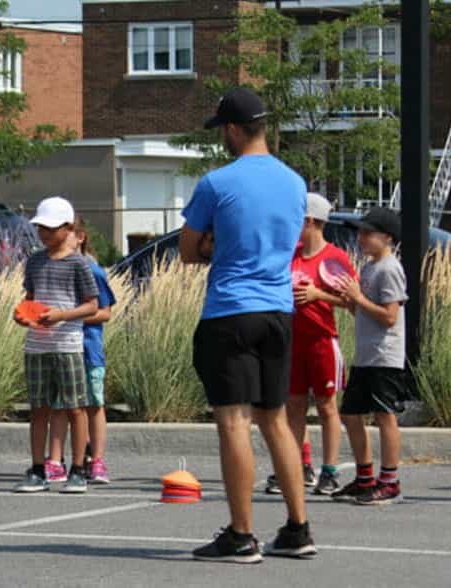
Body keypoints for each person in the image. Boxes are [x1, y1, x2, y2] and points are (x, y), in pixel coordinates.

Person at [180, 88, 316, 562]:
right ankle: (298, 528)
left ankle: (241, 534)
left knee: (234, 423)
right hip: (279, 310)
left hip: (231, 310)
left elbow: (187, 249)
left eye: (222, 129)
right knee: (276, 420)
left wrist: (213, 248)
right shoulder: (295, 182)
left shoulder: (217, 183)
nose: (222, 137)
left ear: (234, 130)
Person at [265, 193, 354, 497]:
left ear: (312, 222)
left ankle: (329, 471)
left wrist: (319, 295)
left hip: (321, 341)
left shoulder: (335, 258)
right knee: (294, 406)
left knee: (327, 406)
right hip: (291, 341)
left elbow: (353, 303)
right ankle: (294, 467)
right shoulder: (290, 255)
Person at [13, 197, 99, 494]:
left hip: (68, 344)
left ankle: (78, 469)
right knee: (39, 408)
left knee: (76, 408)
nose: (44, 233)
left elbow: (92, 305)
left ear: (69, 227)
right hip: (36, 345)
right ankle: (38, 469)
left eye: (51, 228)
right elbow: (31, 299)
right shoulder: (35, 261)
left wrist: (62, 315)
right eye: (41, 228)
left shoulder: (79, 263)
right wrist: (23, 314)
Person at [331, 208, 408, 505]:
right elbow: (363, 310)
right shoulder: (370, 267)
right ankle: (365, 478)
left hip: (384, 356)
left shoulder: (389, 268)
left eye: (367, 233)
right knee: (350, 414)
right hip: (367, 355)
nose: (361, 238)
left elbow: (390, 316)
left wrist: (359, 298)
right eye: (360, 232)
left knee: (384, 414)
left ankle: (390, 481)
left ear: (386, 237)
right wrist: (349, 300)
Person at [47, 217, 116, 484]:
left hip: (87, 348)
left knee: (93, 404)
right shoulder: (52, 268)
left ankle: (96, 460)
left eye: (66, 235)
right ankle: (55, 460)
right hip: (60, 346)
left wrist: (68, 316)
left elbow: (104, 312)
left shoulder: (92, 270)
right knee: (60, 404)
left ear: (80, 237)